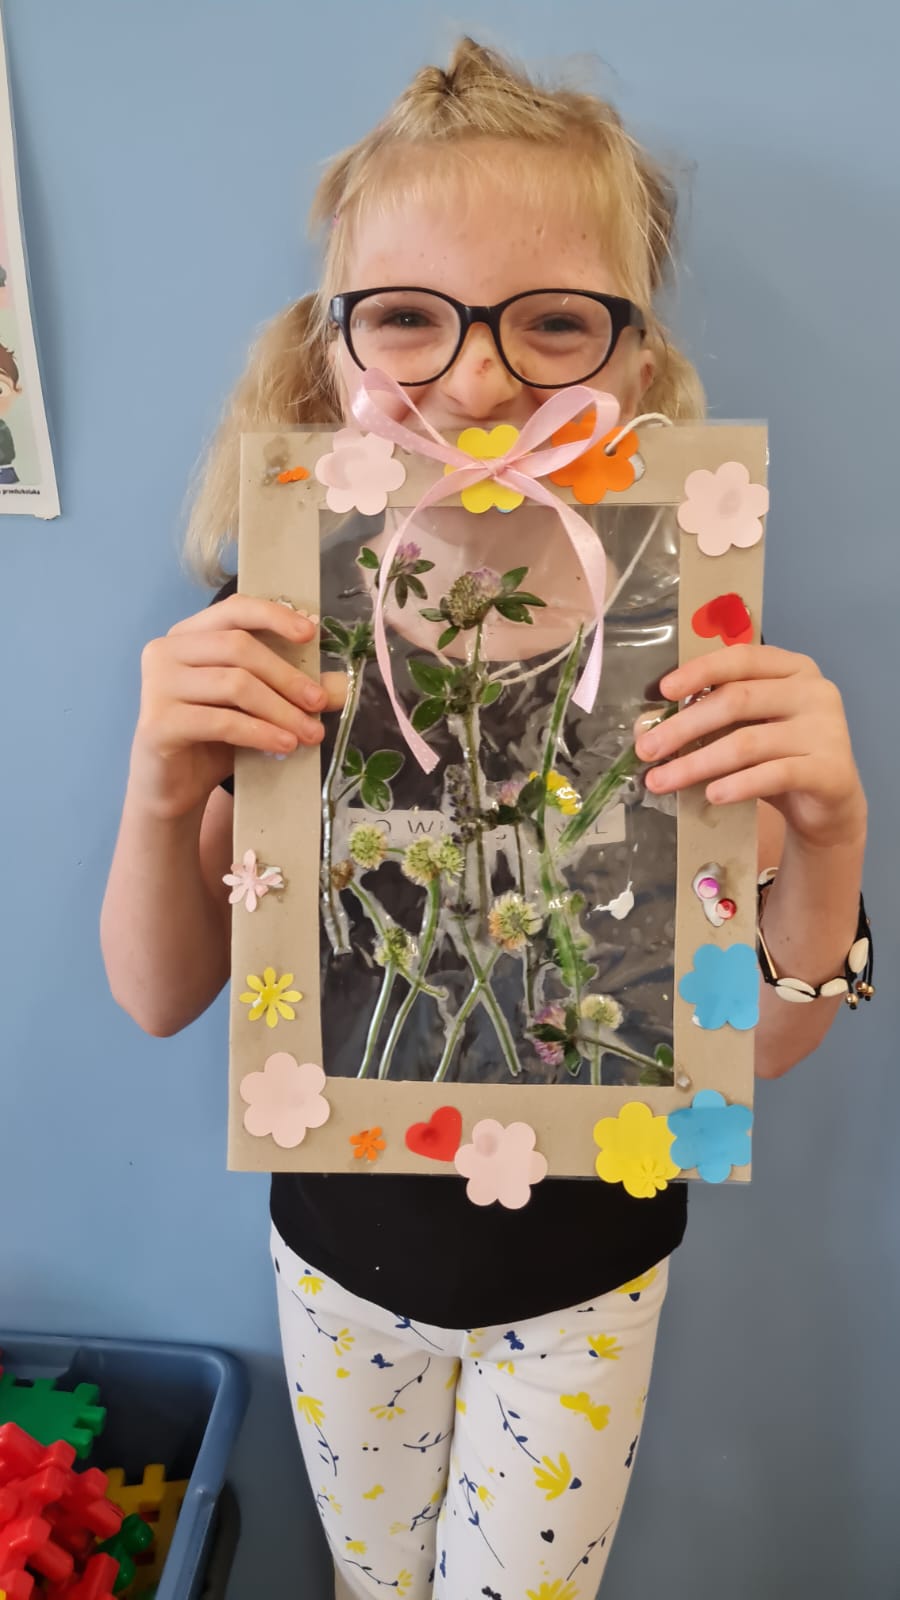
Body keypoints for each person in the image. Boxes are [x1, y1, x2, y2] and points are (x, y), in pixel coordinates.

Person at [101, 38, 870, 1600]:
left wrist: (833, 838)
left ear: (635, 361)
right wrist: (161, 784)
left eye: (555, 322)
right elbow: (162, 993)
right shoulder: (275, 617)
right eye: (408, 315)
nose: (477, 380)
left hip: (588, 1281)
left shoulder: (685, 633)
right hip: (336, 1263)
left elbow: (763, 1042)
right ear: (330, 349)